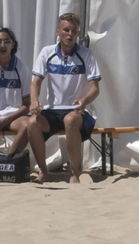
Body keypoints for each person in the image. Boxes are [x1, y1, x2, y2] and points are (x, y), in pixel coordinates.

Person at [26, 13, 100, 183]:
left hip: (78, 111)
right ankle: (43, 172)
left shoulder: (86, 54)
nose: (70, 34)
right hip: (53, 110)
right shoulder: (47, 52)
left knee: (70, 120)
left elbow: (95, 88)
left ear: (78, 33)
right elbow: (35, 83)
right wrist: (34, 101)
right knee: (32, 123)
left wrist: (84, 101)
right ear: (58, 32)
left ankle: (75, 174)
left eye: (74, 31)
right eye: (66, 30)